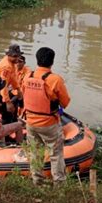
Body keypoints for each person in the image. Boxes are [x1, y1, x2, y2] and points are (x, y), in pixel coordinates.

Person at [21, 47, 70, 185]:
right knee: (56, 154)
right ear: (52, 61)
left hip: (30, 122)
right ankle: (59, 184)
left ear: (37, 60)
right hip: (49, 124)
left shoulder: (27, 77)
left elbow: (24, 95)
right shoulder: (55, 80)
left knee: (35, 152)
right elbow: (65, 102)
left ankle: (37, 181)